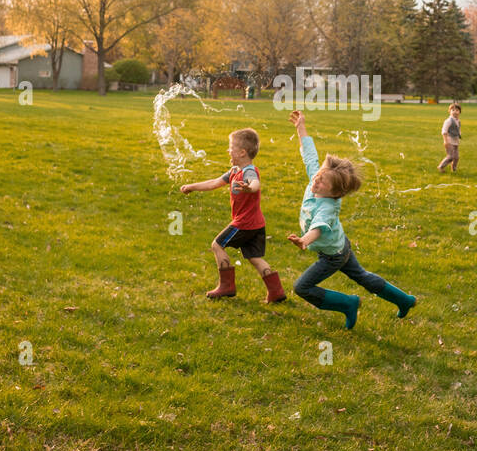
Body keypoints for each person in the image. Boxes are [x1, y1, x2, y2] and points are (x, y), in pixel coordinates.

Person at [286, 110, 415, 329]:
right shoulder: (315, 181)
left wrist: (305, 240)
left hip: (332, 255)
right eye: (318, 176)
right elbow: (309, 155)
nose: (316, 181)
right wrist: (301, 127)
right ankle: (405, 300)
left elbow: (319, 227)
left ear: (335, 193)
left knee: (302, 287)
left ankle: (348, 303)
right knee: (363, 277)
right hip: (340, 245)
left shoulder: (328, 207)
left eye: (322, 182)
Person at [179, 128, 286, 304]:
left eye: (231, 147)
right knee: (254, 257)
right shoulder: (234, 170)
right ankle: (276, 292)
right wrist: (191, 186)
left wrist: (250, 187)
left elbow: (256, 183)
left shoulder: (248, 172)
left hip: (244, 223)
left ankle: (226, 286)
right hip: (256, 223)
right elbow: (214, 183)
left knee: (217, 245)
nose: (228, 151)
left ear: (242, 152)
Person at [437, 102, 462, 172]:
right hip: (449, 141)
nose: (455, 112)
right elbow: (444, 131)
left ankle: (454, 168)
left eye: (457, 110)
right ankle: (441, 166)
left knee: (456, 157)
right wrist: (445, 141)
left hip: (455, 141)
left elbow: (458, 130)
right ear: (449, 111)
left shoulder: (458, 121)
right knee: (450, 156)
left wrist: (459, 136)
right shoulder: (448, 121)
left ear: (459, 112)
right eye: (453, 110)